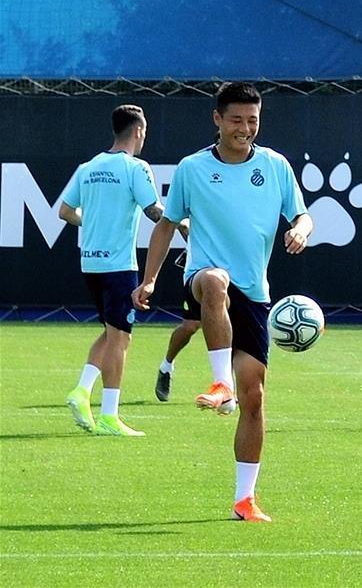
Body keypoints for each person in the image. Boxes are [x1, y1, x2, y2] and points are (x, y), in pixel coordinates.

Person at [132, 82, 313, 522]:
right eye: (236, 120)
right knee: (214, 281)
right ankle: (219, 383)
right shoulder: (193, 169)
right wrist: (149, 279)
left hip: (255, 294)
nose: (245, 129)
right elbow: (166, 225)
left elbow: (302, 213)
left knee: (255, 399)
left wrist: (301, 231)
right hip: (205, 279)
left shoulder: (275, 166)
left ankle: (244, 499)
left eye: (253, 120)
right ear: (217, 119)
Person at [60, 104, 162, 437]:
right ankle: (109, 416)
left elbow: (65, 211)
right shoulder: (135, 167)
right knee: (121, 338)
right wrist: (183, 220)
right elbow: (154, 211)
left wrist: (91, 222)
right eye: (144, 131)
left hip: (90, 262)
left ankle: (82, 389)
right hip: (119, 265)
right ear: (138, 131)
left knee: (109, 332)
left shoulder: (88, 167)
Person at [155, 249, 202, 402]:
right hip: (199, 271)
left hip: (233, 271)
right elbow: (179, 226)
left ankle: (228, 385)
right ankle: (166, 366)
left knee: (234, 327)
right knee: (191, 325)